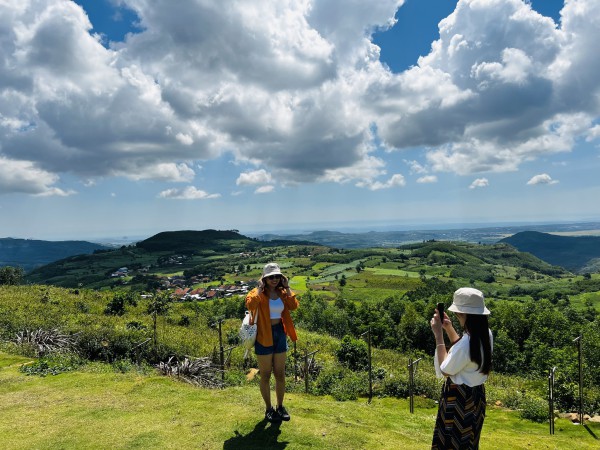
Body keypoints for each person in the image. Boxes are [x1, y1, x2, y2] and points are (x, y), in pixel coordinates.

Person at [430, 287, 493, 450]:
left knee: (450, 442)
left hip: (458, 398)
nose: (458, 318)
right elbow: (463, 353)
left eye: (458, 315)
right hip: (476, 397)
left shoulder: (466, 343)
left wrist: (438, 334)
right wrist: (449, 329)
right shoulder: (486, 334)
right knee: (469, 441)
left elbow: (446, 369)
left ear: (465, 315)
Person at [245, 262, 299, 423]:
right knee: (266, 375)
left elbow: (293, 306)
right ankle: (269, 409)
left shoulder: (283, 292)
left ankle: (280, 407)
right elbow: (250, 304)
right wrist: (260, 288)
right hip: (263, 335)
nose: (274, 279)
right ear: (264, 278)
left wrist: (287, 286)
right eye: (270, 277)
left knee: (280, 374)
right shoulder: (257, 293)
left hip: (280, 334)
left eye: (277, 276)